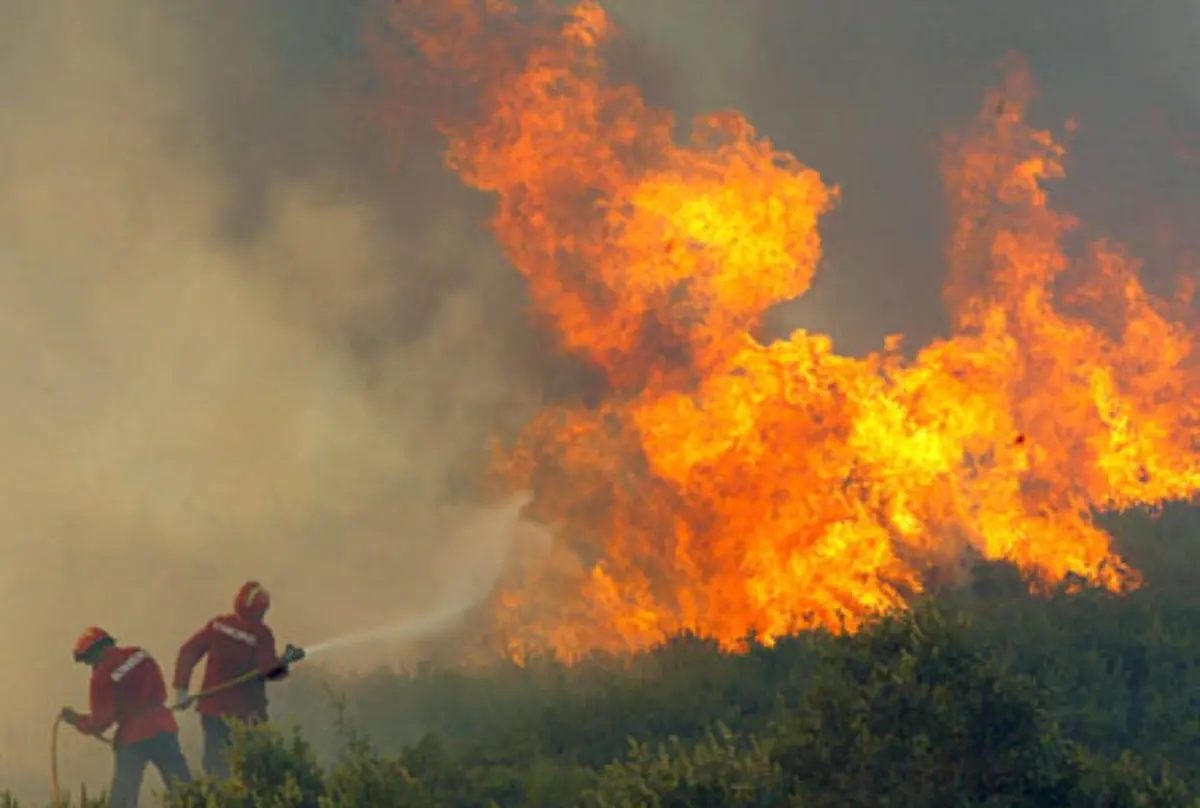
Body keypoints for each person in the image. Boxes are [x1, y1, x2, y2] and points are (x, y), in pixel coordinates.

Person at [172, 581, 301, 778]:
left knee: (216, 766)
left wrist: (181, 689)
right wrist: (286, 661)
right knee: (252, 767)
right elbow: (270, 672)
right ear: (263, 610)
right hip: (246, 715)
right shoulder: (261, 634)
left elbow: (188, 652)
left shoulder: (218, 625)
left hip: (212, 711)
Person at [60, 626, 193, 808]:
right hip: (164, 727)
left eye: (89, 660)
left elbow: (100, 721)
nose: (90, 665)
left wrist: (76, 720)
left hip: (132, 738)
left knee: (122, 798)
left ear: (98, 650)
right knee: (185, 790)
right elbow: (160, 689)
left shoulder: (102, 677)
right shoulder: (141, 655)